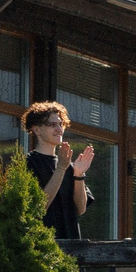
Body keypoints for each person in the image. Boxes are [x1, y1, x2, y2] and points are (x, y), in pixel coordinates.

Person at [22, 101, 93, 240]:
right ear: (37, 130)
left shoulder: (68, 165)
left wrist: (79, 175)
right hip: (43, 245)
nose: (59, 129)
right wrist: (60, 168)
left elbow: (80, 209)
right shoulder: (28, 163)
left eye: (61, 124)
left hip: (71, 246)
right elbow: (39, 207)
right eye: (52, 124)